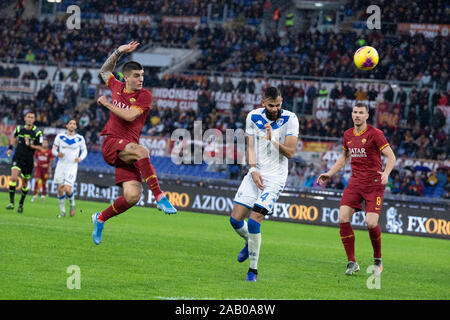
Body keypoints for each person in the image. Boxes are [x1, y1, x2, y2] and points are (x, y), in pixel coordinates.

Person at [93, 41, 177, 245]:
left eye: (142, 76)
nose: (141, 79)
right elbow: (104, 72)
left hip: (127, 150)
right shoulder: (117, 86)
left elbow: (130, 116)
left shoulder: (144, 96)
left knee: (132, 197)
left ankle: (100, 218)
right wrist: (118, 52)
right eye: (137, 76)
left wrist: (106, 103)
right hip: (112, 143)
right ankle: (159, 197)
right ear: (126, 77)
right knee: (142, 151)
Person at [317, 102, 396, 277]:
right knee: (343, 217)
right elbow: (343, 158)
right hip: (355, 183)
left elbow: (391, 156)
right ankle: (352, 262)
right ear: (352, 114)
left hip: (374, 184)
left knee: (371, 223)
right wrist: (329, 173)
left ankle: (377, 258)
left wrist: (386, 173)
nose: (357, 115)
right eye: (355, 112)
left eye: (361, 112)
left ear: (367, 115)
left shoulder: (376, 134)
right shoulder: (347, 135)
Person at [230, 87, 299, 281]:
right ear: (263, 103)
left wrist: (273, 140)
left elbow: (291, 153)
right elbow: (250, 146)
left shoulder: (291, 118)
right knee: (235, 220)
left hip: (276, 177)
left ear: (281, 101)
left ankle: (253, 270)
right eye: (271, 105)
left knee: (254, 220)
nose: (275, 109)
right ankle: (249, 242)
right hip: (256, 173)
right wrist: (252, 169)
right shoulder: (253, 116)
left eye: (278, 105)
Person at [6, 112, 43, 213]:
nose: (30, 119)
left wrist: (30, 144)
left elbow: (40, 147)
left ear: (34, 120)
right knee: (13, 177)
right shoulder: (19, 129)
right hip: (17, 157)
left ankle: (21, 204)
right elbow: (13, 137)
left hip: (28, 160)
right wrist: (10, 148)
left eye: (32, 117)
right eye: (28, 117)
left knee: (25, 184)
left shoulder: (37, 132)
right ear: (25, 119)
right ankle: (11, 203)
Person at [52, 119, 87, 218]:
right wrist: (58, 154)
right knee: (59, 190)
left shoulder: (80, 138)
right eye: (70, 123)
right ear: (66, 125)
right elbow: (53, 149)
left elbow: (84, 151)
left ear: (76, 127)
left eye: (74, 124)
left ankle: (72, 204)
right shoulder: (60, 137)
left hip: (72, 166)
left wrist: (80, 158)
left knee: (67, 189)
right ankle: (62, 212)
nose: (72, 125)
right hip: (61, 165)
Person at [31, 138, 54, 203]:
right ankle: (34, 196)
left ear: (47, 144)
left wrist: (49, 165)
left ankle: (43, 196)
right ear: (42, 143)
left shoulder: (49, 151)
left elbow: (52, 161)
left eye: (46, 143)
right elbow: (34, 156)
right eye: (43, 143)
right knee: (37, 180)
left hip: (45, 170)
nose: (45, 144)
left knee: (44, 183)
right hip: (38, 168)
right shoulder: (38, 150)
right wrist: (34, 162)